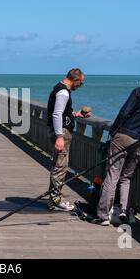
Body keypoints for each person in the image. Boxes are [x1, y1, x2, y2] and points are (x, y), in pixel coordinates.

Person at [91, 71, 140, 226]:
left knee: (112, 175)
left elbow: (124, 112)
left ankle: (103, 215)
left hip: (123, 136)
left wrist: (113, 130)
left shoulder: (139, 92)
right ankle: (123, 210)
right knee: (126, 177)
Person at [47, 68, 91, 212]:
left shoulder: (59, 88)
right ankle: (55, 200)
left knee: (58, 166)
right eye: (81, 83)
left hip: (59, 131)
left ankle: (54, 198)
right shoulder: (64, 92)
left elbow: (63, 112)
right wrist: (59, 136)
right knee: (60, 167)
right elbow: (57, 114)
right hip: (61, 133)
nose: (81, 86)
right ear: (76, 80)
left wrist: (75, 114)